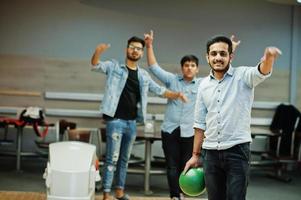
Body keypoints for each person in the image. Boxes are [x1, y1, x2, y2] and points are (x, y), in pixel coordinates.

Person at [144, 31, 240, 200]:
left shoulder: (205, 83)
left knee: (186, 165)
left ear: (197, 68)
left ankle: (184, 193)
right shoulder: (173, 80)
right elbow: (154, 68)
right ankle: (175, 196)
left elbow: (223, 72)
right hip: (170, 130)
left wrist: (231, 51)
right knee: (172, 166)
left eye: (192, 65)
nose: (189, 67)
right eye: (186, 65)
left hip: (190, 132)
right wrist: (149, 46)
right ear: (182, 68)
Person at [184, 35, 281, 200]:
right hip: (210, 153)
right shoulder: (203, 85)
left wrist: (269, 58)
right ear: (207, 57)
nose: (218, 58)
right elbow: (199, 123)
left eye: (223, 53)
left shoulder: (243, 76)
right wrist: (195, 155)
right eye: (213, 54)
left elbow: (262, 71)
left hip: (237, 151)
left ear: (231, 56)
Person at [91, 36, 187, 200]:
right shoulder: (115, 67)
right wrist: (97, 52)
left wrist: (177, 94)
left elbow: (159, 90)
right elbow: (95, 65)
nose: (135, 50)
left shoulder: (143, 75)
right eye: (132, 47)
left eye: (138, 48)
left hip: (132, 123)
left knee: (124, 160)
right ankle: (106, 194)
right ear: (126, 49)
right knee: (112, 159)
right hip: (115, 121)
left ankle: (119, 192)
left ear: (142, 53)